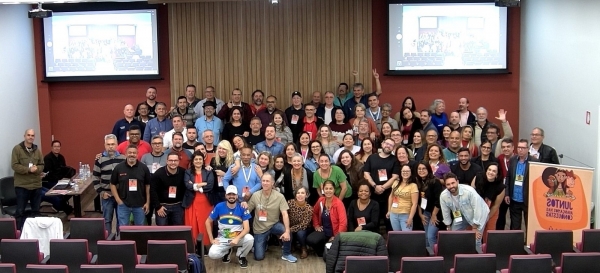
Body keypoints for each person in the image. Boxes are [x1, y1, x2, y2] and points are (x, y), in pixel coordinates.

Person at [243, 173, 298, 263]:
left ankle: (286, 254)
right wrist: (244, 204)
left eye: (267, 181)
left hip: (274, 224)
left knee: (287, 231)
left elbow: (285, 214)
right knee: (258, 257)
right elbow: (247, 211)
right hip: (259, 228)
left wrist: (287, 231)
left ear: (272, 183)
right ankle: (264, 243)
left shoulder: (279, 196)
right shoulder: (255, 195)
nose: (265, 183)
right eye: (263, 181)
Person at [205, 185, 253, 268]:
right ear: (226, 195)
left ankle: (241, 256)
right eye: (229, 194)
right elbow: (207, 222)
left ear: (237, 196)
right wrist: (211, 239)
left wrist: (237, 238)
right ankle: (227, 251)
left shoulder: (242, 207)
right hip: (223, 238)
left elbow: (247, 229)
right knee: (212, 254)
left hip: (238, 237)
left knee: (250, 239)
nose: (231, 196)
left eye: (233, 194)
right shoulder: (219, 206)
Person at [440, 173, 489, 247]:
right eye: (448, 184)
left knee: (476, 240)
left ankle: (478, 257)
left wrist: (475, 228)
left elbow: (478, 209)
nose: (451, 186)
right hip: (460, 214)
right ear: (445, 185)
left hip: (479, 214)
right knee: (452, 236)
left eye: (453, 183)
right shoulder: (443, 196)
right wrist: (448, 227)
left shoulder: (469, 191)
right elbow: (445, 213)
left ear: (457, 182)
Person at [363, 138, 400, 231]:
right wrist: (375, 186)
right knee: (373, 221)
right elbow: (366, 173)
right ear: (382, 144)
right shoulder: (372, 157)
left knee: (388, 221)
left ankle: (390, 243)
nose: (388, 146)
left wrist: (382, 187)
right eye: (387, 143)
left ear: (393, 148)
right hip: (372, 194)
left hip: (388, 196)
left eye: (391, 145)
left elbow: (395, 177)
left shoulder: (395, 160)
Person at [110, 145, 151, 226]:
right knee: (123, 228)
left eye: (134, 153)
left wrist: (147, 202)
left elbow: (147, 186)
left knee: (140, 229)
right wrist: (118, 200)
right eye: (130, 152)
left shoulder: (144, 168)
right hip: (123, 204)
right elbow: (112, 184)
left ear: (137, 154)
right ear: (126, 154)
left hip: (140, 205)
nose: (132, 154)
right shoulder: (119, 168)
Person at [11, 129, 44, 230]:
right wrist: (28, 170)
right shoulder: (17, 149)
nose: (31, 137)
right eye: (28, 135)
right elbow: (14, 165)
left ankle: (35, 233)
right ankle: (19, 234)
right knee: (20, 211)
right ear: (24, 136)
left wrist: (37, 169)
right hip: (22, 186)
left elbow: (42, 164)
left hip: (36, 185)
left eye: (32, 135)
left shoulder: (37, 150)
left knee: (36, 211)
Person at [93, 134, 126, 233]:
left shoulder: (123, 159)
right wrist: (101, 192)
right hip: (106, 196)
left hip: (120, 196)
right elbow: (95, 177)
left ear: (117, 145)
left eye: (112, 144)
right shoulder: (99, 160)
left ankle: (121, 241)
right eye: (108, 144)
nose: (110, 146)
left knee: (121, 221)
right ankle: (107, 242)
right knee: (107, 221)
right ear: (104, 145)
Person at [184, 152, 215, 251]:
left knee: (204, 223)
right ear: (193, 161)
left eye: (200, 159)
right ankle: (195, 246)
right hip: (192, 201)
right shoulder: (188, 172)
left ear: (203, 160)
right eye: (196, 159)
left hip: (205, 202)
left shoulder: (208, 172)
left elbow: (210, 185)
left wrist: (195, 185)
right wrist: (201, 184)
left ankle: (204, 245)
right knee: (193, 224)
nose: (198, 161)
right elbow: (187, 185)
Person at [308, 181, 347, 257]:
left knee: (333, 254)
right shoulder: (321, 200)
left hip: (335, 232)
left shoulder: (339, 203)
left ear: (334, 190)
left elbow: (343, 223)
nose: (328, 191)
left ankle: (330, 248)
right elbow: (314, 212)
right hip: (324, 230)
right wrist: (316, 225)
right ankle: (323, 251)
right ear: (323, 189)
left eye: (330, 188)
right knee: (310, 240)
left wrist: (336, 236)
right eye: (326, 188)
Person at [505, 139, 538, 231]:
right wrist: (507, 193)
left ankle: (529, 244)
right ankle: (516, 243)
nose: (520, 150)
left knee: (529, 225)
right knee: (515, 226)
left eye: (523, 148)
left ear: (528, 149)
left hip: (527, 199)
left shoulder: (534, 161)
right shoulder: (513, 159)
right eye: (519, 147)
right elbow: (508, 177)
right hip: (514, 198)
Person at [150, 152, 186, 225]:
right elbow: (152, 191)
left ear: (178, 161)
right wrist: (158, 207)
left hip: (178, 206)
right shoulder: (158, 174)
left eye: (175, 160)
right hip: (162, 207)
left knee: (178, 231)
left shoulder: (183, 172)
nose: (173, 162)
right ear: (166, 161)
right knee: (163, 231)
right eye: (170, 160)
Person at [471, 162, 505, 240]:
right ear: (486, 171)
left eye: (494, 171)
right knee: (473, 231)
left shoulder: (501, 187)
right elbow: (471, 194)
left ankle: (487, 250)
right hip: (475, 208)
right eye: (489, 170)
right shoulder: (477, 177)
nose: (490, 172)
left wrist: (486, 218)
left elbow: (496, 206)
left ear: (497, 174)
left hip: (491, 209)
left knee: (489, 233)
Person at [41, 140, 75, 217]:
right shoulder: (47, 158)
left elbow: (64, 170)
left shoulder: (61, 157)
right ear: (52, 148)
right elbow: (49, 174)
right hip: (49, 181)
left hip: (60, 180)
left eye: (58, 146)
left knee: (71, 188)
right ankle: (68, 210)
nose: (56, 148)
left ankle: (58, 206)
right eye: (55, 146)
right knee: (61, 191)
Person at [415, 161, 444, 247]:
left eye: (424, 168)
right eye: (419, 169)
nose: (421, 171)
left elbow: (438, 200)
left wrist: (434, 215)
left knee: (431, 237)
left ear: (428, 169)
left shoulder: (435, 182)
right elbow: (419, 200)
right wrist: (420, 214)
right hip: (425, 212)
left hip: (436, 213)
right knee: (426, 237)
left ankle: (436, 257)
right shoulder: (419, 182)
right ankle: (428, 257)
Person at [387, 164, 419, 231]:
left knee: (406, 237)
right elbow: (391, 196)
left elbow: (415, 204)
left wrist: (410, 218)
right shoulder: (396, 182)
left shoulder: (413, 186)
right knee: (397, 236)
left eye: (407, 171)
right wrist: (389, 210)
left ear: (411, 172)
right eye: (403, 171)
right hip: (394, 214)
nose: (405, 173)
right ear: (400, 172)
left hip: (405, 215)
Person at [287, 186, 313, 259]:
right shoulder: (289, 203)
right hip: (291, 226)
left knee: (300, 233)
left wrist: (290, 229)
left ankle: (303, 248)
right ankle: (292, 244)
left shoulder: (309, 208)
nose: (300, 195)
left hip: (304, 228)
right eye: (298, 193)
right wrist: (287, 227)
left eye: (302, 193)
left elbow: (304, 225)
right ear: (295, 195)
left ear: (306, 195)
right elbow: (284, 216)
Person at [496, 138, 515, 230]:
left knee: (514, 216)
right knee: (501, 214)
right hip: (502, 190)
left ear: (513, 148)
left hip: (514, 191)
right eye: (503, 147)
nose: (505, 149)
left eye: (508, 147)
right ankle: (499, 235)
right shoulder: (499, 158)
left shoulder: (517, 159)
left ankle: (513, 236)